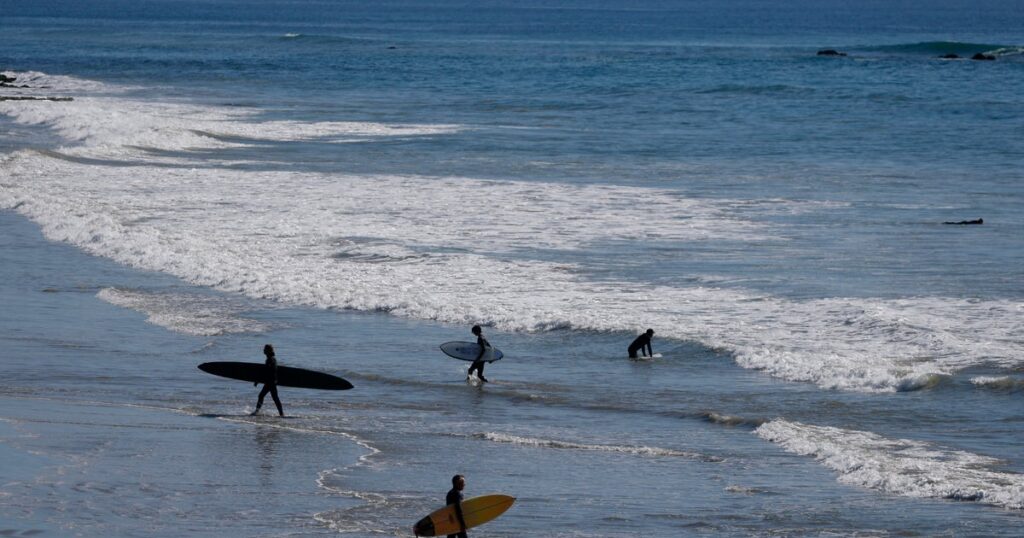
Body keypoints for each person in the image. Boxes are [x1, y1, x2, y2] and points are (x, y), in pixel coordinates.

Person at [252, 344, 285, 417]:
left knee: (262, 396)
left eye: (265, 349)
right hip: (271, 381)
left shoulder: (270, 360)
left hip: (270, 382)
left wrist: (257, 380)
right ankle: (281, 414)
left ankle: (256, 412)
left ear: (268, 351)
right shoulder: (272, 359)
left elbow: (267, 372)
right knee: (274, 398)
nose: (263, 350)